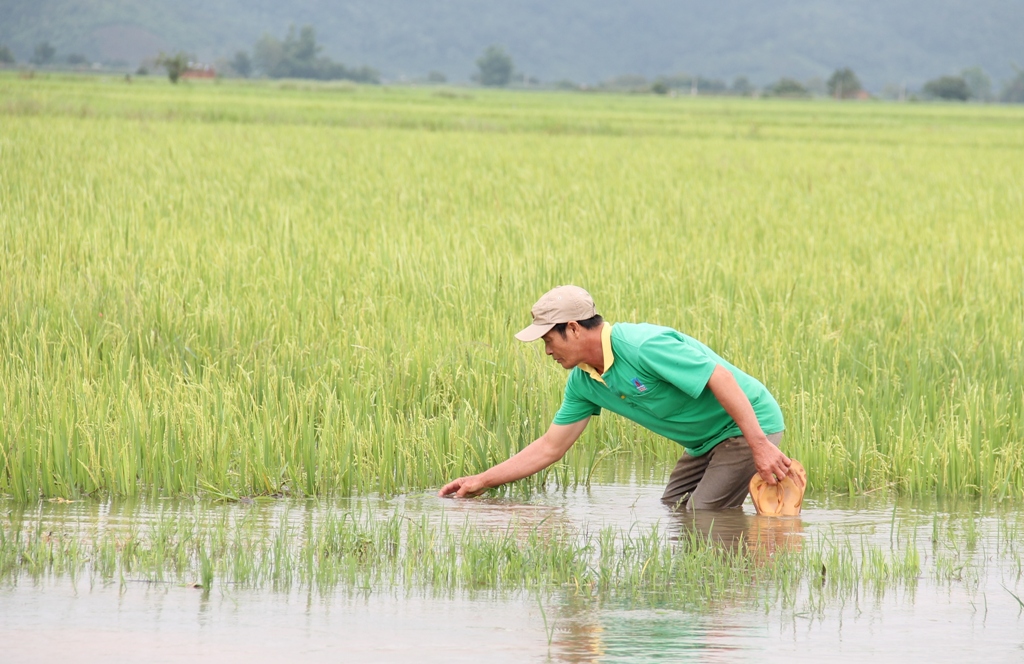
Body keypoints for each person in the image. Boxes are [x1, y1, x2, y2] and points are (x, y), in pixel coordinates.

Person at [438, 285, 798, 509]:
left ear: (574, 329)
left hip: (746, 425)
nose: (547, 351)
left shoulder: (642, 346)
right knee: (673, 508)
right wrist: (480, 481)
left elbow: (719, 377)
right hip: (704, 441)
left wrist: (760, 446)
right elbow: (551, 447)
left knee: (703, 514)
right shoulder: (584, 382)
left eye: (549, 340)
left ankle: (754, 571)